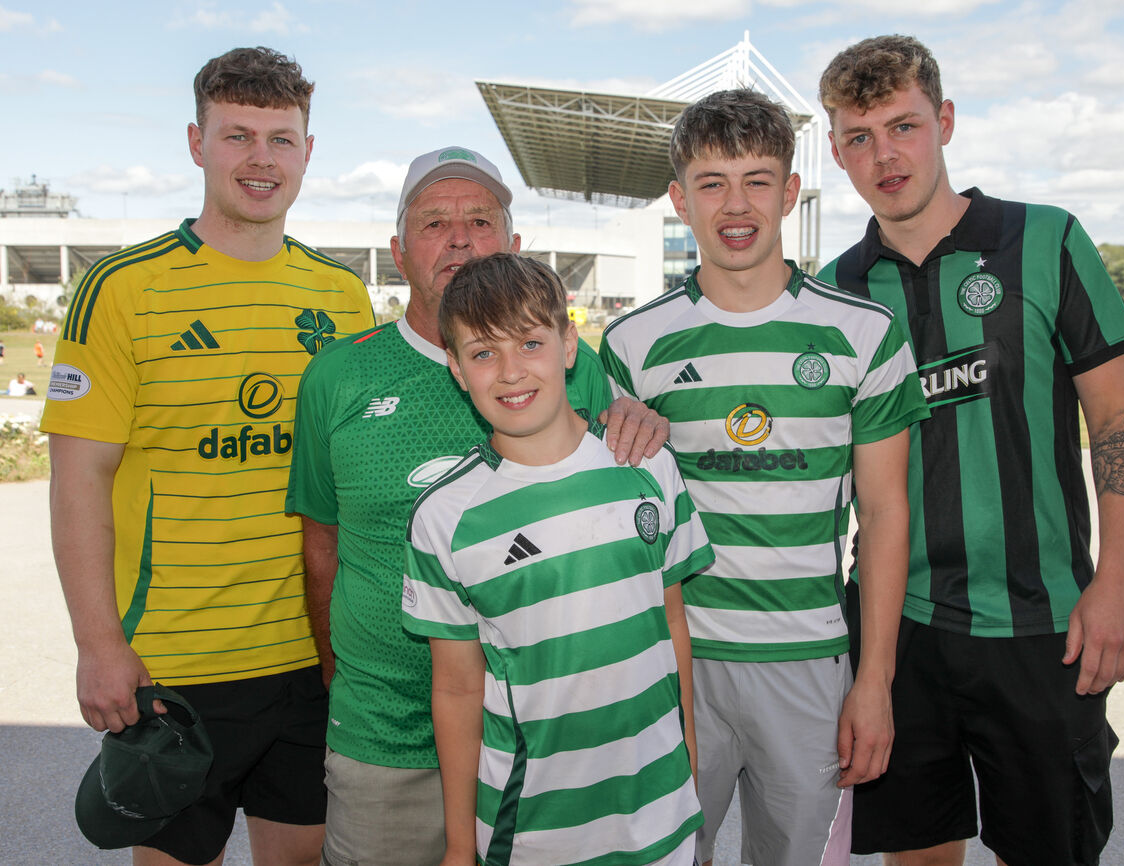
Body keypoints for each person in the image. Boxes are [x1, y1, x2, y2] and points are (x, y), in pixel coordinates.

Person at [817, 35, 1124, 866]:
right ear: (837, 152)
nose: (885, 155)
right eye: (860, 137)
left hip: (1042, 623)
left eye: (904, 126)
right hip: (901, 630)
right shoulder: (837, 291)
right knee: (919, 853)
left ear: (946, 121)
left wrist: (1121, 581)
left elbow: (1116, 418)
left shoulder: (1046, 241)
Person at [285, 145, 668, 866]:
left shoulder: (568, 365)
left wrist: (638, 419)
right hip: (385, 740)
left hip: (535, 737)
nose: (459, 237)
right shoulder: (335, 378)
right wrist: (345, 682)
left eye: (480, 221)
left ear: (515, 247)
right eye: (434, 223)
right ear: (399, 252)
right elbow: (320, 552)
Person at [40, 46, 375, 866]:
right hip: (175, 663)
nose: (261, 159)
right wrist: (98, 645)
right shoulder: (121, 288)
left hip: (314, 658)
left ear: (307, 152)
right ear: (198, 144)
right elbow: (79, 475)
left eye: (281, 138)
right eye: (238, 136)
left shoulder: (341, 295)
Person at [601, 89, 928, 866]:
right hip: (674, 662)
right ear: (680, 199)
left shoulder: (865, 335)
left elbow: (885, 517)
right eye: (712, 182)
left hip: (809, 665)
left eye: (757, 179)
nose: (735, 204)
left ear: (789, 193)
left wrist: (874, 683)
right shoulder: (632, 344)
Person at [401, 252, 710, 865]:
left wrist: (690, 771)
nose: (510, 372)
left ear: (570, 345)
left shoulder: (647, 464)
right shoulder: (444, 518)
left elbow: (672, 627)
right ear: (457, 370)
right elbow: (458, 689)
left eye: (530, 343)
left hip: (661, 814)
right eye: (483, 353)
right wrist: (461, 847)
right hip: (532, 833)